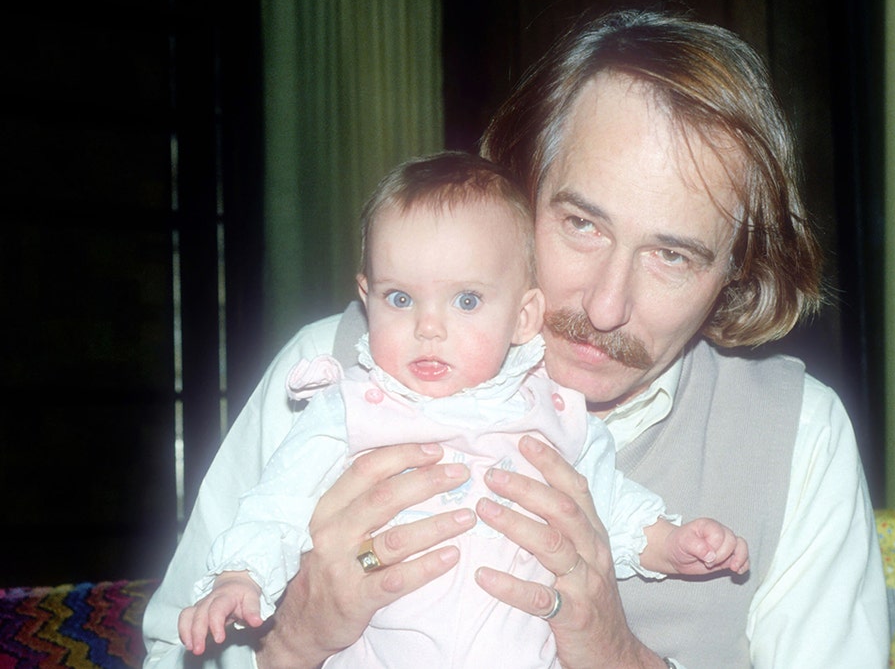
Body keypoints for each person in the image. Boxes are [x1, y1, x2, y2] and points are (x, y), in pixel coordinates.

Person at [144, 8, 888, 668]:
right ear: (520, 183)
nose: (604, 306)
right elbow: (172, 647)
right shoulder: (331, 373)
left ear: (732, 274)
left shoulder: (797, 434)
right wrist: (292, 644)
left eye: (673, 255)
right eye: (581, 223)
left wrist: (620, 658)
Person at [175, 152, 749, 667]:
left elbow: (609, 509)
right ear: (367, 297)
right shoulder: (348, 408)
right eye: (400, 298)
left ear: (524, 316)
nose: (428, 327)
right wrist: (237, 577)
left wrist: (671, 545)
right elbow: (276, 505)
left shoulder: (553, 411)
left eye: (467, 300)